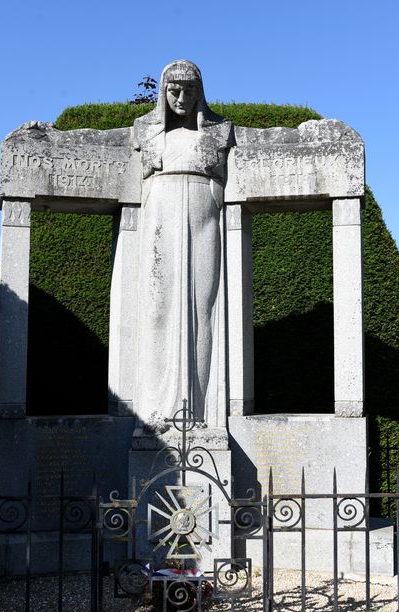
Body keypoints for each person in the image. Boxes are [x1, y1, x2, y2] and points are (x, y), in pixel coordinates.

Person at [132, 60, 233, 431]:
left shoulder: (219, 133)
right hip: (160, 221)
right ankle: (156, 409)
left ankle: (198, 408)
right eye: (173, 91)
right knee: (157, 311)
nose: (181, 98)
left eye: (189, 91)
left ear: (199, 93)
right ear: (162, 92)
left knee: (202, 311)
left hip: (204, 220)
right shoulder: (145, 132)